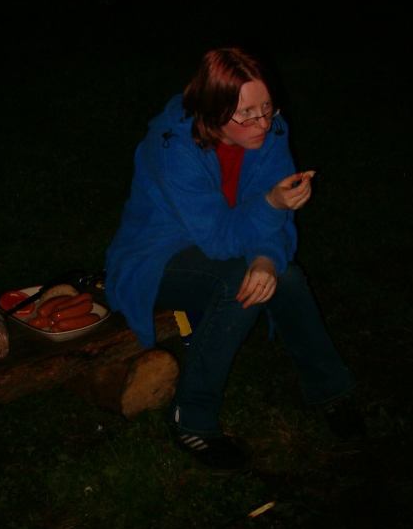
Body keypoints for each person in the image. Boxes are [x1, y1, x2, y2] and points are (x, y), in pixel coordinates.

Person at [105, 47, 364, 472]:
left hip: (230, 241)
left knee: (287, 278)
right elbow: (220, 238)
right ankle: (190, 417)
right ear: (212, 109)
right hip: (157, 256)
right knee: (238, 282)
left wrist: (268, 257)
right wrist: (271, 205)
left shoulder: (271, 131)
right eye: (246, 113)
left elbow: (272, 218)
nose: (262, 123)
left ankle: (331, 392)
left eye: (267, 107)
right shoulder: (172, 145)